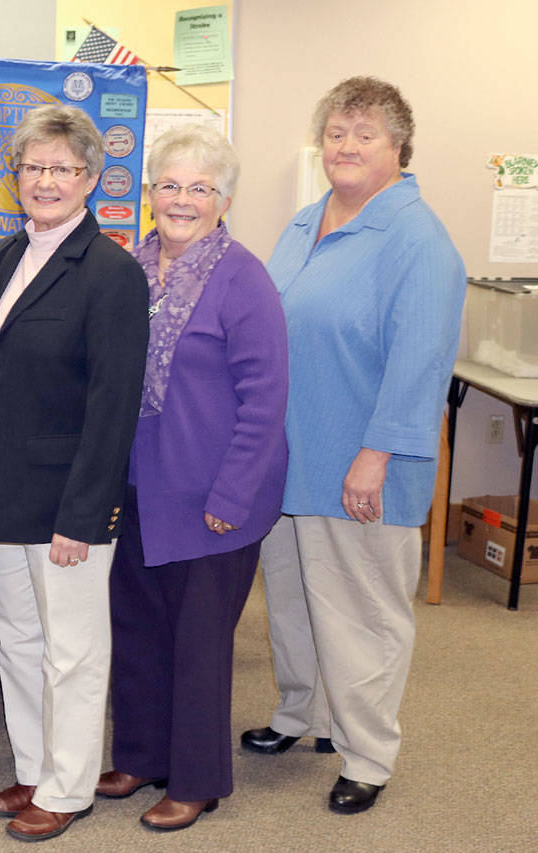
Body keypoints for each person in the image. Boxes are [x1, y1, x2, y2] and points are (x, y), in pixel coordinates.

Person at [243, 76, 466, 815]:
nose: (346, 146)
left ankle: (367, 751)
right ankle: (303, 712)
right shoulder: (308, 220)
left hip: (359, 463)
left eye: (364, 135)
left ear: (398, 146)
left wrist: (377, 455)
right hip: (292, 459)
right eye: (336, 132)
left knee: (362, 612)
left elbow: (422, 359)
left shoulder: (418, 239)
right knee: (297, 600)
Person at [101, 126, 288, 832]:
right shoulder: (131, 267)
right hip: (140, 488)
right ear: (149, 194)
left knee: (200, 642)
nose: (181, 199)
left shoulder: (245, 278)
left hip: (216, 496)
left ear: (225, 199)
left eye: (198, 187)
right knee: (140, 625)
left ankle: (199, 778)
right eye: (169, 185)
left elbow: (267, 398)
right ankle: (142, 753)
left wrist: (233, 494)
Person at [0, 106, 148, 842]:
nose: (45, 181)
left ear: (91, 179)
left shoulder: (110, 272)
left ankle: (69, 785)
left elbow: (113, 408)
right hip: (3, 491)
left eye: (62, 169)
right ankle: (36, 763)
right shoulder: (11, 255)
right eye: (32, 167)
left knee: (73, 651)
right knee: (20, 642)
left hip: (64, 505)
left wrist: (85, 515)